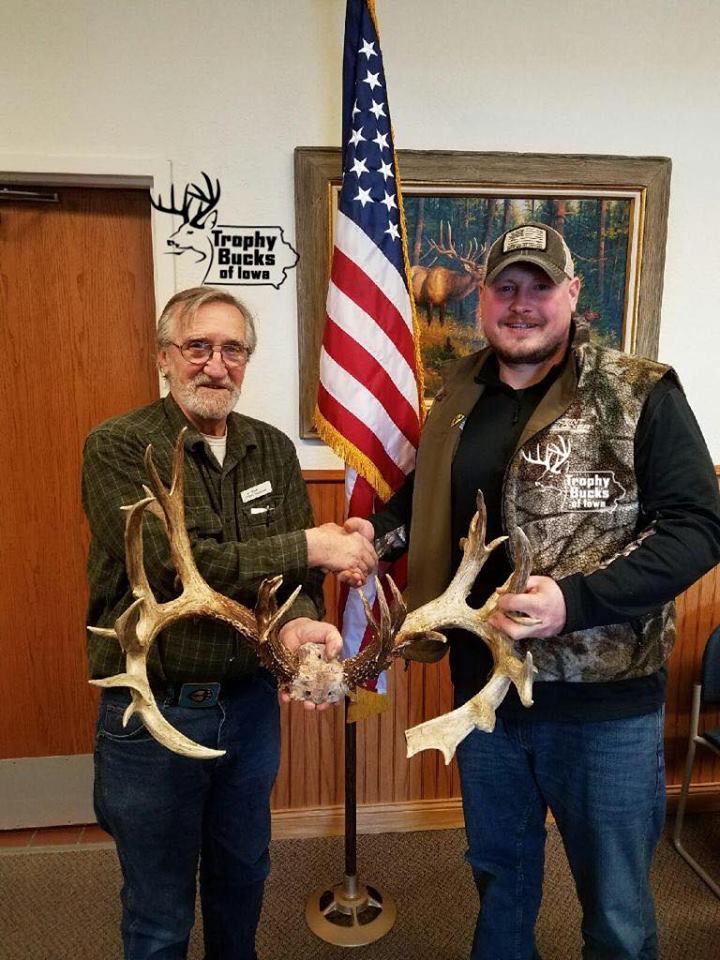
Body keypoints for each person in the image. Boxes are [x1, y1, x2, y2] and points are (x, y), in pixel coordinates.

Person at [346, 222, 720, 959]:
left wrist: (573, 604)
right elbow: (426, 499)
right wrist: (375, 535)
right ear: (484, 298)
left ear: (572, 295)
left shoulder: (640, 393)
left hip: (602, 707)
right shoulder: (457, 392)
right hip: (482, 697)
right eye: (506, 287)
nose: (522, 305)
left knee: (615, 906)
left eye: (539, 287)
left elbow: (698, 528)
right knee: (498, 877)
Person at [82, 286, 377, 960]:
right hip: (155, 716)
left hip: (248, 712)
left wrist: (299, 628)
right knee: (159, 910)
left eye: (233, 350)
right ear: (164, 357)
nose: (216, 365)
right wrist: (312, 544)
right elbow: (170, 565)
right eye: (198, 347)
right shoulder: (119, 447)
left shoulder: (270, 449)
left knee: (241, 881)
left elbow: (291, 587)